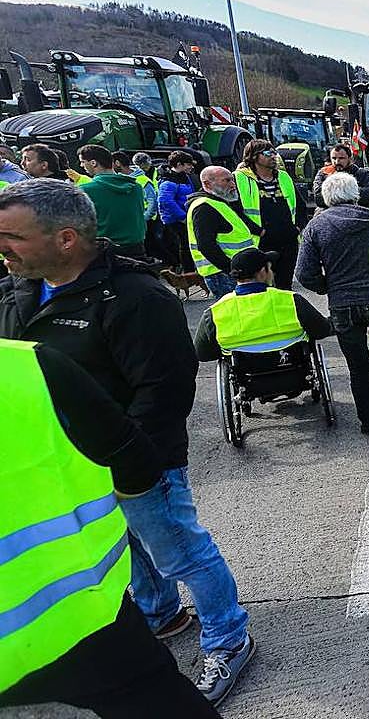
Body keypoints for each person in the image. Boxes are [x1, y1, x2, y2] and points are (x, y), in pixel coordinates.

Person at [0, 179, 255, 707]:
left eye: (12, 237)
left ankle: (228, 638)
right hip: (67, 472)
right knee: (124, 554)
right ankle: (161, 613)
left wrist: (132, 462)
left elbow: (163, 388)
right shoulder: (18, 293)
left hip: (138, 460)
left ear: (66, 238)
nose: (2, 248)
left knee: (181, 551)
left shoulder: (136, 297)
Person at [0, 339, 220, 718]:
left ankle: (172, 615)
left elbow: (198, 352)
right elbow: (134, 455)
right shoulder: (27, 366)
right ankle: (204, 629)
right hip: (80, 620)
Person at [295, 171, 369, 437]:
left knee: (358, 368)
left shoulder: (316, 226)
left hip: (342, 303)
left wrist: (328, 286)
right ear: (356, 193)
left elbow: (304, 274)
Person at [193, 247, 332, 361]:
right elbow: (321, 330)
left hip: (245, 375)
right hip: (292, 368)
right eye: (269, 269)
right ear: (262, 272)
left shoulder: (215, 311)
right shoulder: (291, 300)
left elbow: (202, 354)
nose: (272, 273)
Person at [186, 166, 260, 299]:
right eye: (226, 181)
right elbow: (206, 245)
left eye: (232, 180)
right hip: (222, 274)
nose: (233, 185)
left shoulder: (219, 202)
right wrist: (231, 270)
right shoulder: (204, 206)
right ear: (207, 184)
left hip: (232, 272)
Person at [235, 138, 300, 289]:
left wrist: (297, 227)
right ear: (253, 156)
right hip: (261, 242)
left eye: (274, 152)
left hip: (287, 241)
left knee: (285, 287)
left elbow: (300, 205)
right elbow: (235, 210)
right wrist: (258, 231)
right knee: (262, 287)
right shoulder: (239, 178)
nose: (273, 156)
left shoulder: (283, 177)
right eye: (267, 153)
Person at [77, 145, 147, 257]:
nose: (81, 165)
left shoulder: (86, 190)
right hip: (137, 249)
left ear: (93, 163)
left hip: (105, 253)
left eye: (82, 161)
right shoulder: (136, 187)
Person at [157, 151, 196, 272]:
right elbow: (166, 201)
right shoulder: (169, 181)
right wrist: (183, 217)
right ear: (179, 164)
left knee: (187, 244)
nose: (191, 167)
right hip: (175, 220)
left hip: (184, 217)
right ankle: (187, 271)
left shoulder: (184, 177)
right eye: (188, 164)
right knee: (183, 245)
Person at [313, 142, 369, 209]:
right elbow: (318, 198)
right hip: (328, 211)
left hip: (357, 211)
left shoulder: (363, 173)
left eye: (341, 158)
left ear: (350, 158)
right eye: (334, 158)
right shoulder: (323, 173)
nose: (337, 162)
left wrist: (336, 192)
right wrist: (349, 192)